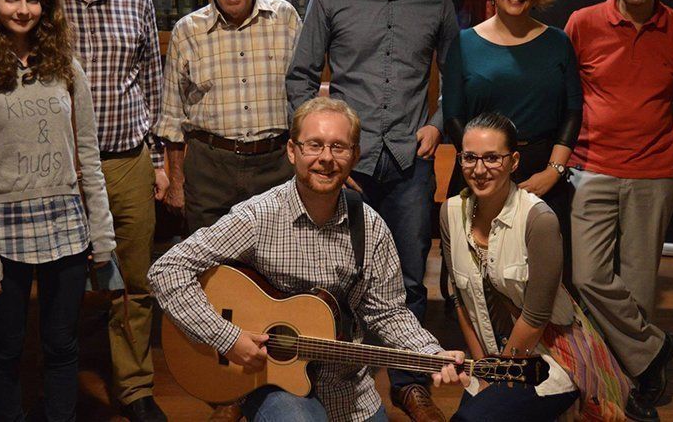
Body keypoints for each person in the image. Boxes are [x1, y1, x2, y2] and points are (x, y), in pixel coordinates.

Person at [149, 97, 469, 422]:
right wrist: (227, 338)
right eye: (314, 145)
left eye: (339, 147)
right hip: (271, 381)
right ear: (292, 151)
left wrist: (433, 353)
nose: (326, 159)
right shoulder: (259, 216)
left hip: (348, 386)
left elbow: (388, 313)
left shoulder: (370, 227)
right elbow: (167, 269)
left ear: (355, 155)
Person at [286, 0, 459, 420]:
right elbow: (300, 78)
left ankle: (408, 382)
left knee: (408, 278)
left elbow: (457, 80)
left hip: (409, 161)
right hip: (344, 167)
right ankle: (331, 382)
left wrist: (436, 125)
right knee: (334, 274)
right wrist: (323, 151)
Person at [0, 0, 116, 421]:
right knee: (6, 349)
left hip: (66, 227)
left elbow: (88, 155)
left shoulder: (66, 68)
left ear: (45, 6)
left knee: (62, 345)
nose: (22, 9)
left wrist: (101, 233)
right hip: (3, 233)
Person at [564, 0, 673, 421]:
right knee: (587, 277)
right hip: (592, 166)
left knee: (641, 287)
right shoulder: (582, 24)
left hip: (656, 171)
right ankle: (654, 350)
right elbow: (567, 97)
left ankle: (633, 385)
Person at [49, 0, 167, 421]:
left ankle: (135, 386)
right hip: (57, 170)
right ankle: (59, 386)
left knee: (136, 283)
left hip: (126, 161)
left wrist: (159, 160)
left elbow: (151, 84)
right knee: (62, 282)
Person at [440, 112, 629, 422]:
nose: (479, 169)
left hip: (548, 357)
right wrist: (482, 368)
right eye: (470, 158)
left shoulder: (538, 219)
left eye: (492, 158)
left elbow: (537, 316)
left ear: (514, 161)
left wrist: (497, 376)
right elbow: (460, 299)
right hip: (492, 355)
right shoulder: (451, 212)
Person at [442, 0, 582, 256]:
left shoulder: (558, 42)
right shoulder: (465, 43)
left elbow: (573, 111)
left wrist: (553, 173)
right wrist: (482, 165)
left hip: (541, 174)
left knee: (541, 274)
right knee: (473, 273)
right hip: (479, 173)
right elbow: (452, 115)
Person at [157, 0, 299, 235]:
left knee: (276, 262)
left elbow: (303, 97)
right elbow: (171, 120)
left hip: (275, 167)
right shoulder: (187, 31)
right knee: (209, 269)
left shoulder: (285, 19)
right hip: (209, 171)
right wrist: (178, 184)